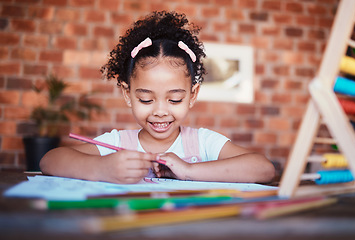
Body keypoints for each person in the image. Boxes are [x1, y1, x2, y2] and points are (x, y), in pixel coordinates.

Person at [40, 11, 275, 184]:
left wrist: (188, 171)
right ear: (127, 94)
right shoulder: (119, 145)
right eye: (146, 99)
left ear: (193, 95)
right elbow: (49, 160)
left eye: (174, 100)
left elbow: (263, 169)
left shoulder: (203, 143)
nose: (160, 111)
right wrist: (101, 168)